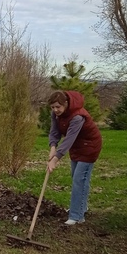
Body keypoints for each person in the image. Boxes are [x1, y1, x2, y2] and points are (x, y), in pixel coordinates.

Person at [47, 90, 103, 225]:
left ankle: (76, 216)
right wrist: (53, 148)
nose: (55, 110)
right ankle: (80, 208)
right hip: (77, 146)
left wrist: (55, 159)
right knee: (77, 177)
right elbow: (54, 132)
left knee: (80, 179)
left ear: (65, 104)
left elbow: (69, 139)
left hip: (89, 146)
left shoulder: (77, 117)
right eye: (53, 107)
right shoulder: (56, 115)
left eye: (58, 107)